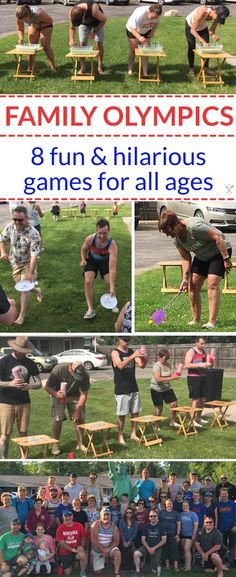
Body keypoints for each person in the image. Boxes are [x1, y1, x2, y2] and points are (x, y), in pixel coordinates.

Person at [158, 210, 233, 329]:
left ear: (176, 224)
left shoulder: (195, 227)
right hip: (202, 256)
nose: (168, 234)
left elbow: (218, 238)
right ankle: (196, 320)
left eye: (168, 231)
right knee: (192, 286)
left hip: (219, 251)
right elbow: (186, 258)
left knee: (212, 284)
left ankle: (211, 322)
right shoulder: (177, 240)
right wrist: (185, 279)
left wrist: (226, 258)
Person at [0, 336, 42, 459]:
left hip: (24, 402)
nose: (24, 353)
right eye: (22, 351)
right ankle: (3, 459)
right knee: (5, 434)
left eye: (26, 351)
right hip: (6, 402)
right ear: (15, 349)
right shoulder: (4, 361)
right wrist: (10, 384)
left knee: (23, 433)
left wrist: (30, 386)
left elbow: (39, 383)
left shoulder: (30, 363)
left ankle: (24, 458)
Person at [0, 205, 42, 326]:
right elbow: (2, 239)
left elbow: (34, 255)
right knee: (21, 286)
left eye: (20, 220)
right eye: (15, 219)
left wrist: (31, 272)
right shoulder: (10, 227)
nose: (17, 222)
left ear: (27, 218)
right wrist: (3, 252)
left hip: (29, 263)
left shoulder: (34, 234)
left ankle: (21, 316)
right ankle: (37, 290)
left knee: (24, 290)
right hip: (15, 263)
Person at [45, 361, 90, 456]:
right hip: (58, 394)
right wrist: (56, 394)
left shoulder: (85, 375)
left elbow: (84, 394)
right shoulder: (59, 369)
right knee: (58, 418)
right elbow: (47, 387)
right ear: (70, 368)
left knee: (80, 418)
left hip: (75, 396)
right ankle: (55, 444)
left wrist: (78, 411)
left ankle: (80, 443)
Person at [111, 337, 147, 445]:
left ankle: (133, 434)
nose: (127, 342)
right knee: (121, 414)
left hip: (133, 387)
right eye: (125, 340)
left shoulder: (131, 351)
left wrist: (145, 357)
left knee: (135, 412)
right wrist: (133, 356)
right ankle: (120, 436)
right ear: (119, 340)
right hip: (122, 388)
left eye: (129, 340)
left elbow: (142, 365)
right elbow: (120, 365)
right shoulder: (115, 352)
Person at [80, 218, 118, 319]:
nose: (102, 236)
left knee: (108, 282)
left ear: (108, 231)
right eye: (99, 233)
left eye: (104, 233)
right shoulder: (90, 239)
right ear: (97, 231)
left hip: (105, 262)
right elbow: (83, 249)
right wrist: (83, 259)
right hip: (92, 260)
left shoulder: (112, 245)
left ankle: (112, 303)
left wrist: (112, 286)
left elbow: (112, 268)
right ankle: (91, 309)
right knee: (88, 281)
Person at [185, 5, 230, 76]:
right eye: (218, 18)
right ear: (215, 12)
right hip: (191, 25)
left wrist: (213, 35)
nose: (217, 20)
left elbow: (212, 30)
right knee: (192, 47)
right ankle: (191, 69)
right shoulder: (203, 11)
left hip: (202, 27)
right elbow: (192, 30)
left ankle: (206, 68)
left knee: (207, 47)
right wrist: (202, 41)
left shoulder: (217, 17)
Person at [69, 2, 107, 75]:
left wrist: (94, 31)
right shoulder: (72, 12)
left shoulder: (93, 8)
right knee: (82, 44)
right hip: (84, 24)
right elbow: (72, 27)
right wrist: (71, 39)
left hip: (98, 22)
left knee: (99, 43)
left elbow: (104, 20)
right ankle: (83, 68)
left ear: (84, 14)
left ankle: (100, 66)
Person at [16, 5, 56, 73]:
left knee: (45, 45)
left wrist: (38, 25)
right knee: (31, 46)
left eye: (23, 19)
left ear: (27, 16)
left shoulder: (39, 13)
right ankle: (31, 68)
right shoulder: (19, 16)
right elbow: (20, 29)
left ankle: (53, 67)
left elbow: (50, 21)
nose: (21, 21)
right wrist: (21, 38)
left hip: (46, 25)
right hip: (33, 24)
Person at [126, 4, 162, 76]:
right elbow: (132, 28)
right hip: (132, 30)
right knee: (133, 50)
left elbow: (156, 23)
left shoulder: (157, 14)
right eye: (152, 17)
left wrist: (152, 32)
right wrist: (139, 37)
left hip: (146, 30)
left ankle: (145, 72)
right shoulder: (140, 14)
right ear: (149, 11)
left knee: (145, 51)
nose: (153, 19)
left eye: (155, 18)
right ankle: (130, 70)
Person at [184, 337, 210, 428]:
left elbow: (206, 364)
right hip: (194, 378)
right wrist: (200, 365)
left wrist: (209, 362)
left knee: (203, 399)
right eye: (202, 343)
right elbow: (187, 365)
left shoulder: (203, 352)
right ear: (196, 343)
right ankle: (192, 420)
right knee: (195, 399)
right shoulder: (191, 352)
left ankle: (198, 417)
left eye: (204, 343)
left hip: (203, 377)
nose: (203, 345)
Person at [150, 348, 180, 428]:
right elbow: (158, 379)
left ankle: (173, 422)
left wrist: (175, 375)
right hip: (156, 389)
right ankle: (156, 425)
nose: (167, 360)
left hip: (167, 388)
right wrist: (171, 378)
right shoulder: (157, 366)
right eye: (165, 358)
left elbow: (170, 375)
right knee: (159, 409)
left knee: (174, 404)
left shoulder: (168, 365)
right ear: (160, 357)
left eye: (168, 358)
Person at [133, 508, 166, 577]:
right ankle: (138, 571)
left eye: (154, 516)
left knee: (154, 569)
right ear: (149, 517)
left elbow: (164, 540)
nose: (153, 517)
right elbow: (143, 539)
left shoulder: (161, 526)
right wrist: (148, 548)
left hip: (157, 548)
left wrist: (154, 548)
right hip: (147, 547)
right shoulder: (146, 526)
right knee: (136, 554)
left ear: (157, 517)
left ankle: (154, 566)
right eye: (151, 516)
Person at [90, 508, 121, 576]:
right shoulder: (96, 524)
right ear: (100, 516)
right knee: (97, 572)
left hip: (109, 548)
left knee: (117, 552)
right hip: (97, 549)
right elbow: (93, 539)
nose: (106, 517)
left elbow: (116, 541)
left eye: (108, 515)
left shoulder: (114, 526)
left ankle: (117, 572)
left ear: (110, 516)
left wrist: (108, 549)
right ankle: (103, 560)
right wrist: (103, 549)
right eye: (104, 515)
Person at [56, 510, 87, 577]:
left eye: (70, 516)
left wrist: (82, 546)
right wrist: (73, 550)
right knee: (68, 573)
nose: (68, 518)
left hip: (77, 549)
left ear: (72, 517)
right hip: (65, 552)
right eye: (66, 516)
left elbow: (83, 536)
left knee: (82, 554)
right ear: (63, 517)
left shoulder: (79, 525)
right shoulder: (60, 529)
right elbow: (62, 544)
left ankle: (83, 571)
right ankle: (76, 562)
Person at [215, 488, 236, 567]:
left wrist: (235, 526)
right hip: (221, 528)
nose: (224, 495)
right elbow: (216, 517)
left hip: (231, 528)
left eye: (225, 493)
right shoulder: (218, 504)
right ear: (220, 494)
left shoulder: (233, 504)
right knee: (222, 546)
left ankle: (234, 560)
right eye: (223, 493)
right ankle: (224, 560)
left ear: (228, 494)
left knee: (233, 545)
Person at [158, 499, 181, 571]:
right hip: (163, 535)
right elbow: (158, 522)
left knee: (174, 550)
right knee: (165, 549)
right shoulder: (161, 512)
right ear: (165, 504)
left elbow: (179, 524)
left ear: (172, 505)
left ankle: (176, 567)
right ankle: (167, 566)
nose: (169, 505)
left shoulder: (176, 513)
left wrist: (178, 534)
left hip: (173, 534)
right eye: (168, 504)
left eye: (170, 503)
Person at [179, 501, 199, 571]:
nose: (185, 507)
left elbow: (196, 525)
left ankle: (188, 567)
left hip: (190, 535)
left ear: (189, 506)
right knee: (184, 551)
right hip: (182, 535)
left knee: (186, 549)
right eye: (183, 505)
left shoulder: (193, 514)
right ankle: (185, 565)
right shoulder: (180, 514)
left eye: (186, 505)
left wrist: (193, 535)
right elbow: (179, 525)